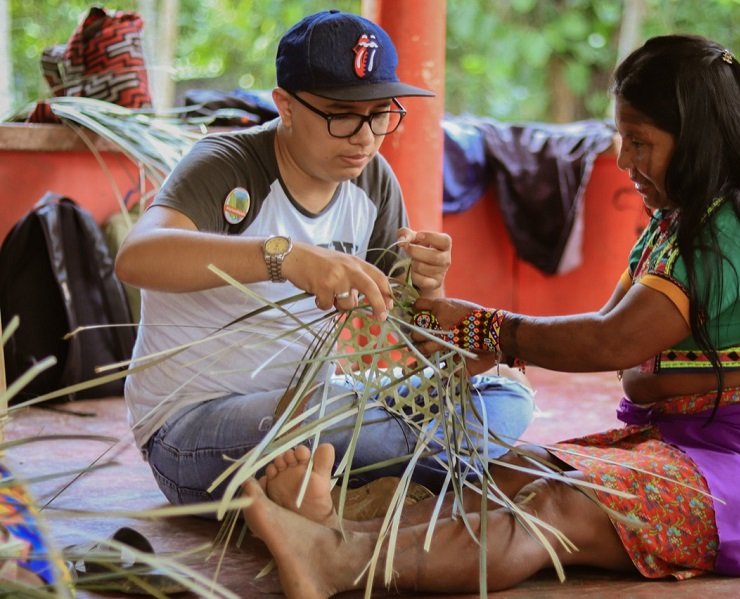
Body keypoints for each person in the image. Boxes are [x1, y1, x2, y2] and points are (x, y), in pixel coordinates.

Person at [239, 34, 740, 597]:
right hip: (682, 449)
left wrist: (488, 330)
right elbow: (604, 327)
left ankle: (340, 564)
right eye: (622, 139)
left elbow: (614, 342)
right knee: (507, 470)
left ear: (697, 137)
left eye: (641, 142)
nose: (626, 160)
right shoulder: (676, 223)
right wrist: (477, 334)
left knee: (553, 503)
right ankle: (336, 535)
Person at [115, 9, 534, 507]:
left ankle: (332, 496)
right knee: (342, 417)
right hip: (192, 431)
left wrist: (430, 291)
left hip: (319, 411)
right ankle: (386, 486)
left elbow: (412, 332)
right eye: (342, 114)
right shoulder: (227, 163)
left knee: (506, 397)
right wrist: (284, 257)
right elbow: (138, 257)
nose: (365, 136)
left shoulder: (372, 181)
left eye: (381, 113)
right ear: (286, 106)